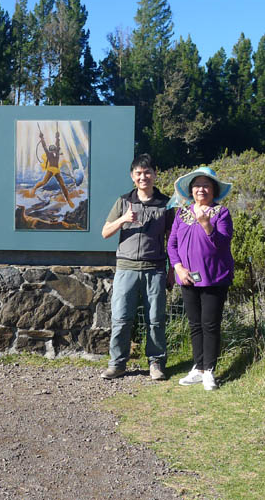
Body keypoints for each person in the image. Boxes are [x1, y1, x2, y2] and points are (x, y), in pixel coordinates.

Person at [100, 154, 174, 381]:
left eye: (148, 172)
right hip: (126, 268)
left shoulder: (166, 204)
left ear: (155, 174)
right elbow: (105, 233)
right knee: (121, 318)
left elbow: (172, 239)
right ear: (133, 177)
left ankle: (156, 363)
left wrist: (172, 270)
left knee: (156, 319)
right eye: (139, 173)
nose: (144, 177)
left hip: (155, 269)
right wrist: (123, 219)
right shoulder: (123, 202)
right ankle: (117, 364)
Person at [167, 166, 234, 391]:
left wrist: (206, 224)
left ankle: (209, 370)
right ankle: (198, 367)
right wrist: (178, 268)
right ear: (190, 190)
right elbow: (172, 243)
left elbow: (223, 244)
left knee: (210, 325)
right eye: (197, 185)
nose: (201, 189)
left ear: (213, 190)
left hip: (215, 278)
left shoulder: (221, 213)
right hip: (187, 278)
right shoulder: (181, 213)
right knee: (195, 324)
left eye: (206, 185)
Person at [29, 130, 75, 208]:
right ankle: (34, 188)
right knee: (43, 182)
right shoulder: (48, 153)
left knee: (63, 185)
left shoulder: (57, 153)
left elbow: (57, 143)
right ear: (50, 151)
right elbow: (44, 146)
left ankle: (68, 200)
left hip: (57, 171)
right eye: (52, 150)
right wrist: (42, 138)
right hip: (50, 170)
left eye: (54, 150)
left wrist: (57, 137)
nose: (53, 152)